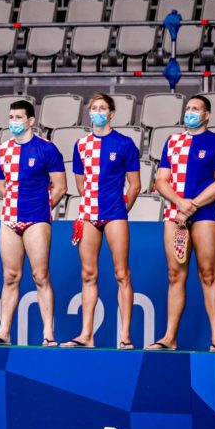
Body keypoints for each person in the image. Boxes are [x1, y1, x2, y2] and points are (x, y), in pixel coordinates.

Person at [149, 94, 215, 352]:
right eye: (188, 108)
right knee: (175, 275)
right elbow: (161, 180)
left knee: (208, 274)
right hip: (175, 216)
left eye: (196, 109)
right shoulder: (173, 141)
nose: (190, 112)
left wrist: (191, 205)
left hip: (205, 214)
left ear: (206, 115)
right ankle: (169, 337)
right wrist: (179, 203)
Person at [62, 93, 141, 349]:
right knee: (88, 274)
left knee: (122, 274)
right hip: (88, 214)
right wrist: (91, 207)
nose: (96, 111)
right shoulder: (81, 145)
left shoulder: (124, 143)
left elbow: (135, 185)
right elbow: (81, 184)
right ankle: (86, 334)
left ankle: (126, 336)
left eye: (102, 108)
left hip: (115, 214)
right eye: (93, 107)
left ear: (111, 114)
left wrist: (120, 208)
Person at [0, 100, 67, 346]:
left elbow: (61, 186)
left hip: (37, 219)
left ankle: (48, 333)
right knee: (10, 276)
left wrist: (41, 208)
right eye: (11, 116)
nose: (14, 121)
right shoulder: (1, 151)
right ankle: (3, 332)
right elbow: (2, 188)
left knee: (40, 275)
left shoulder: (47, 149)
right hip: (9, 218)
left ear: (31, 121)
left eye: (19, 117)